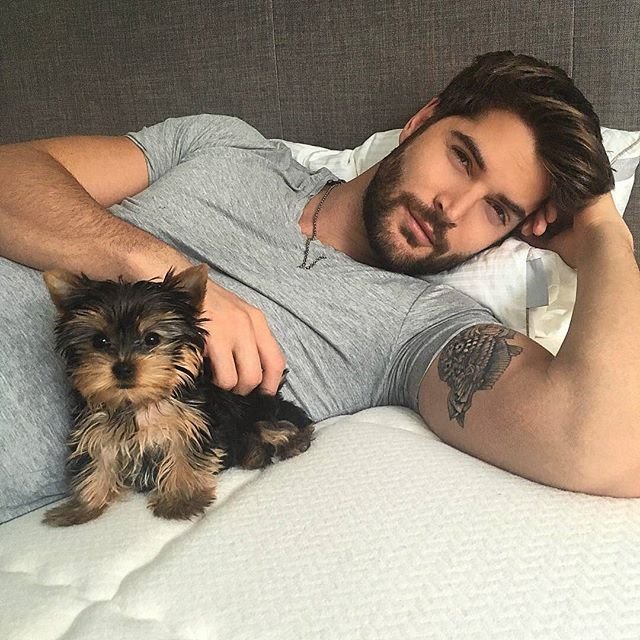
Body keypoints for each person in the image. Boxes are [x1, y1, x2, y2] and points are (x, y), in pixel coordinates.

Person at [0, 51, 638, 523]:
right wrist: (152, 268)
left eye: (496, 210)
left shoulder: (421, 325)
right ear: (421, 121)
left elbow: (606, 447)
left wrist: (603, 235)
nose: (453, 207)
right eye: (462, 157)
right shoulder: (223, 144)